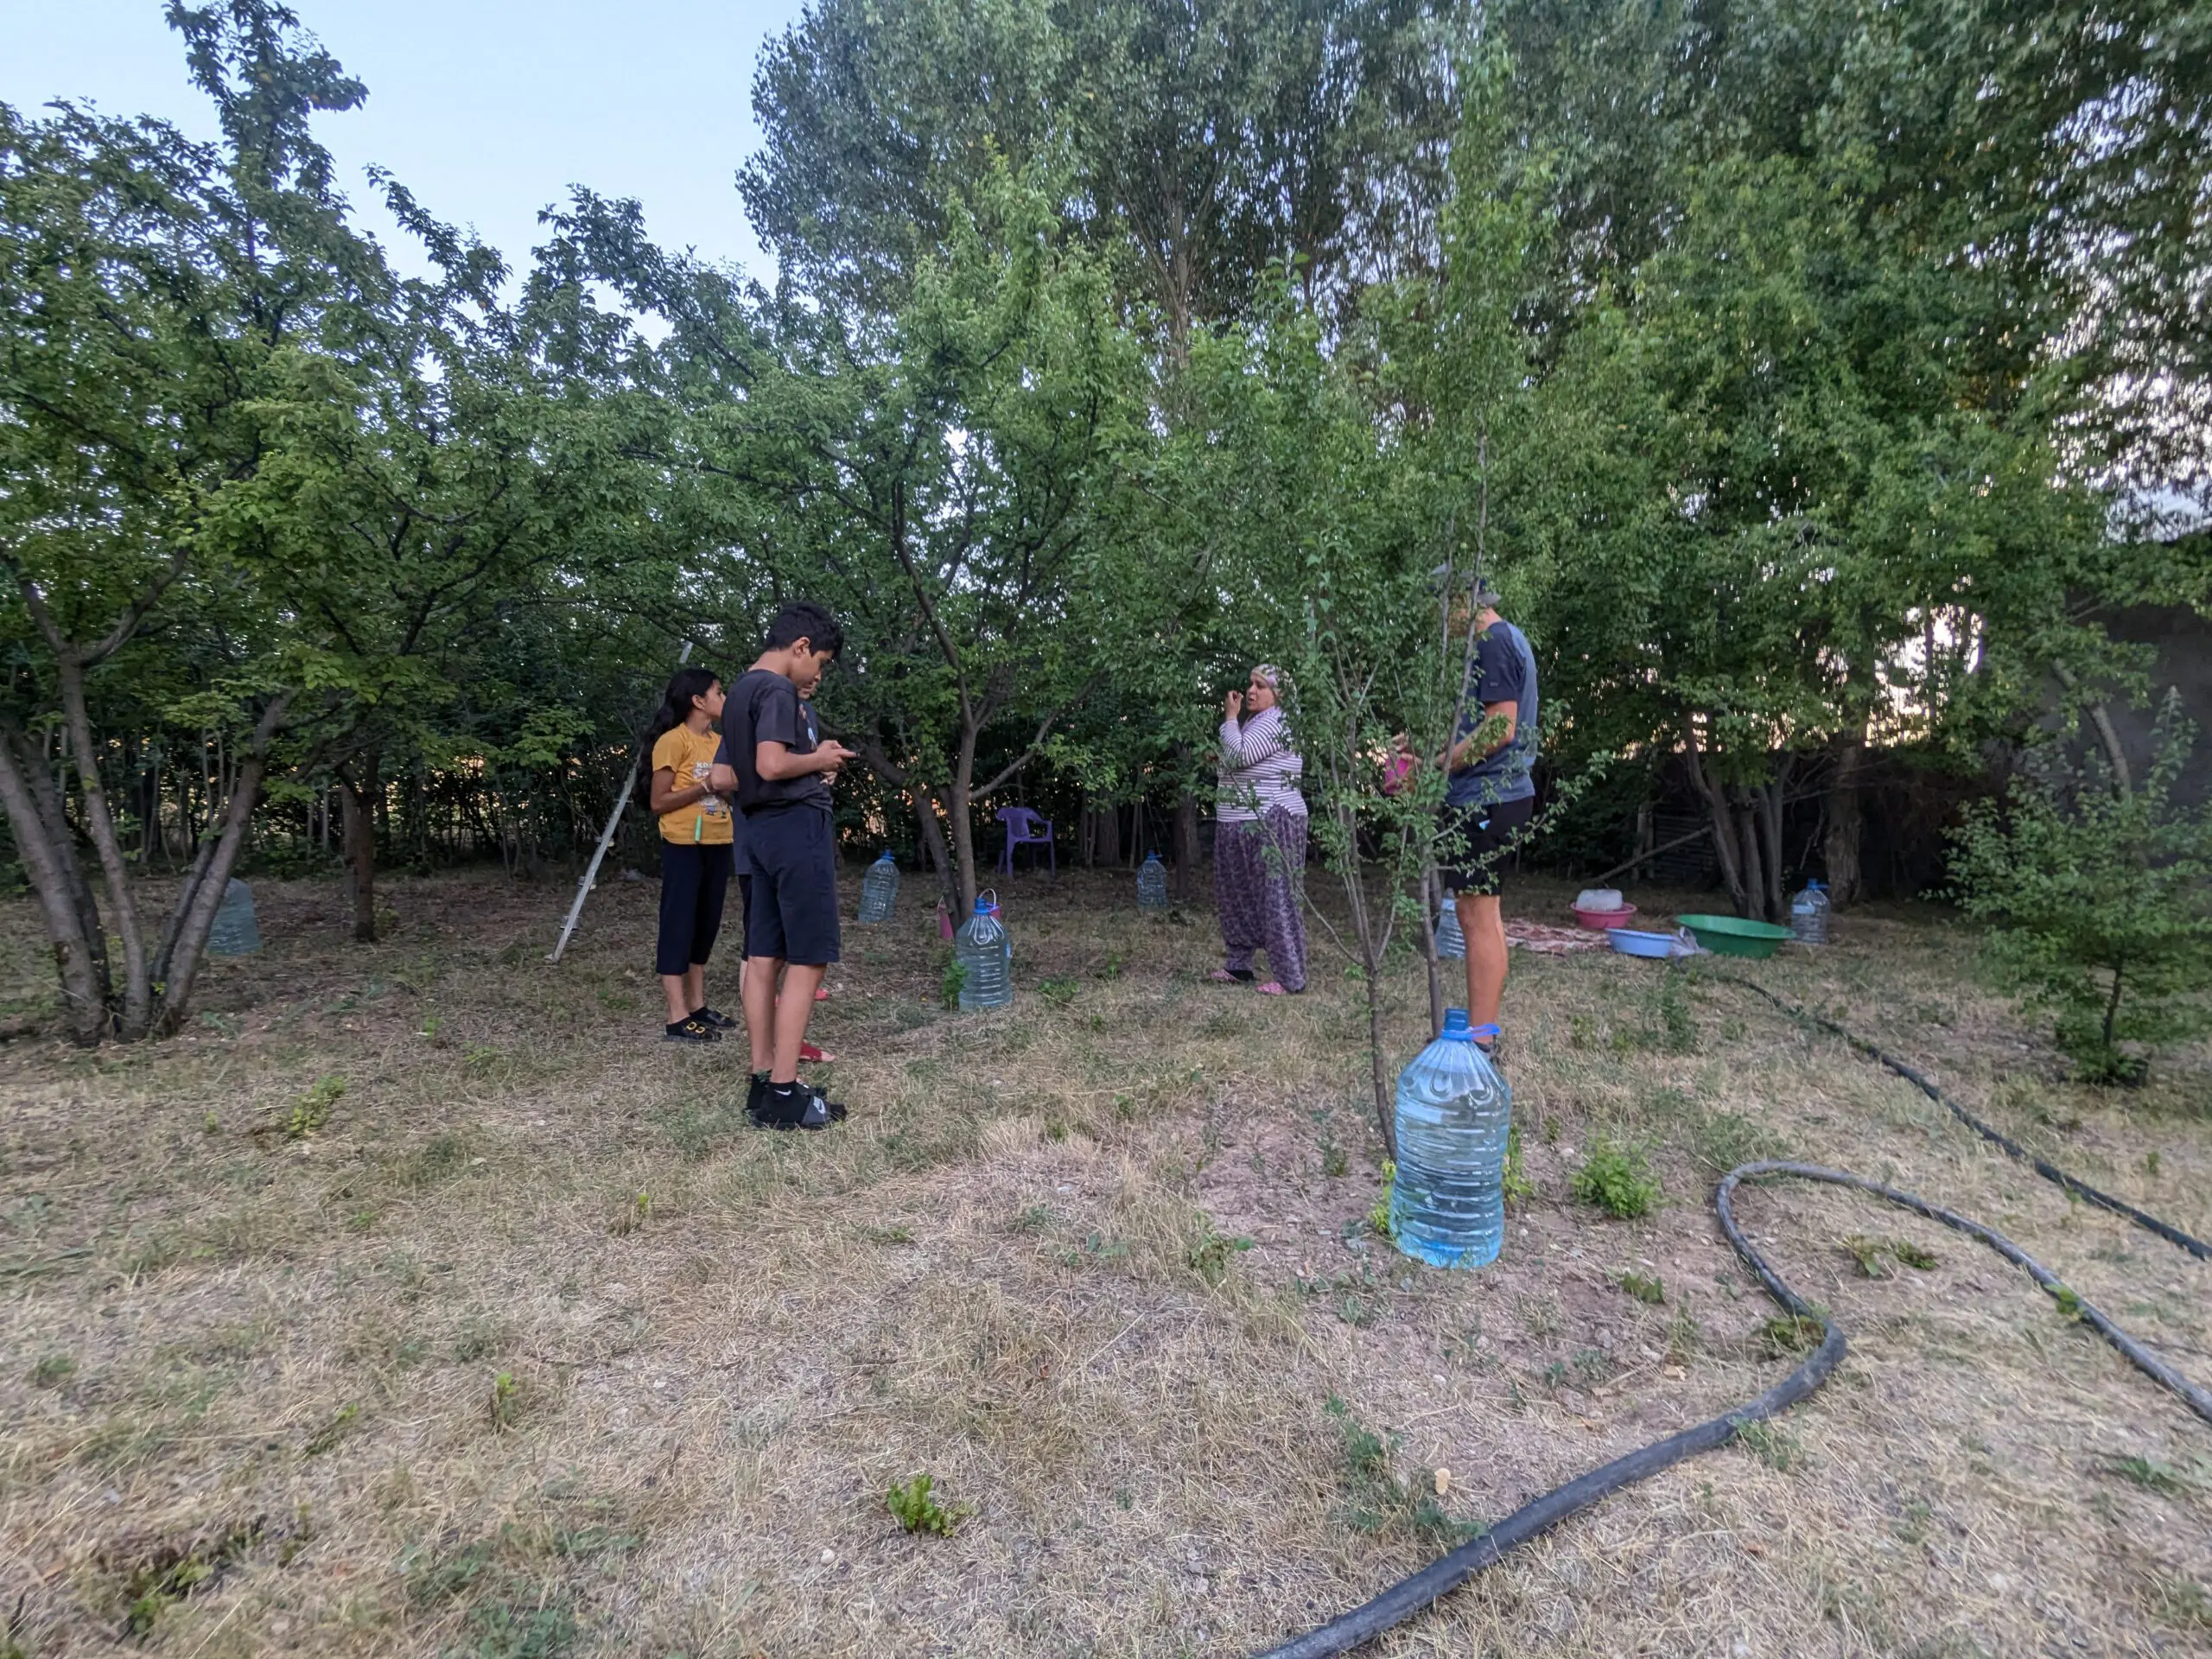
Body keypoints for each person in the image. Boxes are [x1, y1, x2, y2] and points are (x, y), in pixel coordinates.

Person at [711, 601, 855, 1130]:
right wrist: (820, 761)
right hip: (796, 832)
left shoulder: (740, 691)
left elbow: (740, 773)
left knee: (764, 954)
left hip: (760, 835)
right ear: (800, 647)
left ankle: (762, 1081)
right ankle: (784, 1091)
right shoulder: (776, 689)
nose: (817, 673)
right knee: (809, 958)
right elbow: (772, 765)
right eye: (819, 662)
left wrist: (811, 765)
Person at [1436, 582, 1539, 1057]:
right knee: (1480, 913)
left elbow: (1500, 728)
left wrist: (1441, 765)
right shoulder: (1506, 638)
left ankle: (1480, 1043)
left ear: (1462, 599)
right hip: (1496, 795)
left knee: (1477, 916)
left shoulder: (1493, 641)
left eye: (1442, 607)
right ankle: (1485, 1032)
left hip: (1489, 797)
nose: (1442, 620)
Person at [644, 667, 734, 1044]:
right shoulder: (672, 741)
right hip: (684, 845)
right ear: (698, 700)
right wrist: (705, 786)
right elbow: (658, 802)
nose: (724, 698)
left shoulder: (721, 742)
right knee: (678, 924)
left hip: (719, 841)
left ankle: (697, 1005)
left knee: (706, 925)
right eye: (719, 692)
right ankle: (676, 1016)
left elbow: (728, 790)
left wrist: (728, 788)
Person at [1211, 664, 1307, 995]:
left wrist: (1229, 718)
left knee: (1276, 898)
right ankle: (1239, 966)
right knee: (1236, 896)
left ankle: (1290, 977)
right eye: (1250, 683)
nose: (1251, 691)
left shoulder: (1280, 721)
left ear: (1279, 693)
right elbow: (1238, 756)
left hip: (1271, 818)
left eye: (1261, 685)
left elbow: (1240, 755)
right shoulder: (1256, 721)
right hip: (1237, 819)